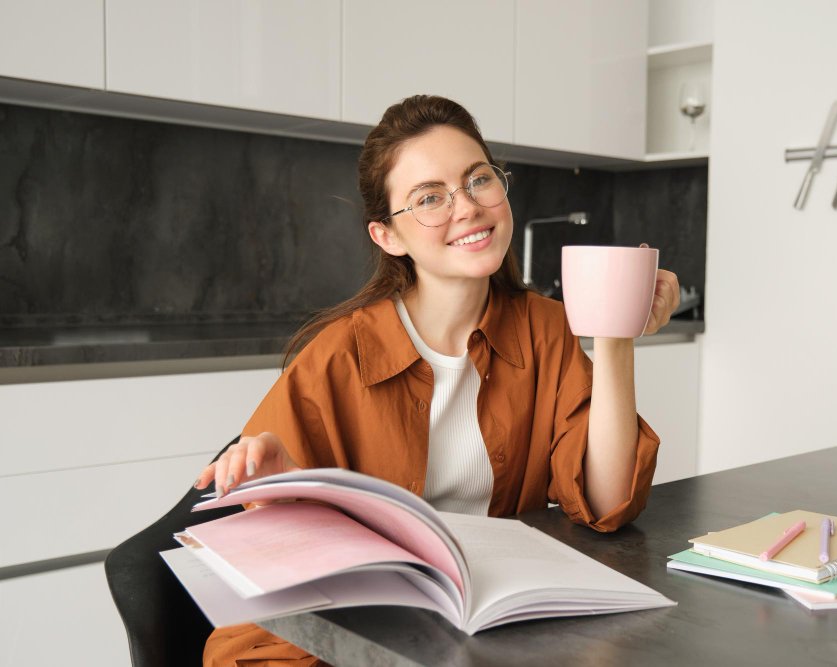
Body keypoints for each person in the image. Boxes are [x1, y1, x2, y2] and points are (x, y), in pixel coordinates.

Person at [194, 94, 680, 666]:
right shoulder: (339, 355)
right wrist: (282, 484)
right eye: (429, 198)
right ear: (388, 236)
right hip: (345, 633)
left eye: (478, 180)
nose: (467, 207)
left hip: (486, 625)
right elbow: (274, 549)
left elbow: (607, 500)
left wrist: (615, 329)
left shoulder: (545, 329)